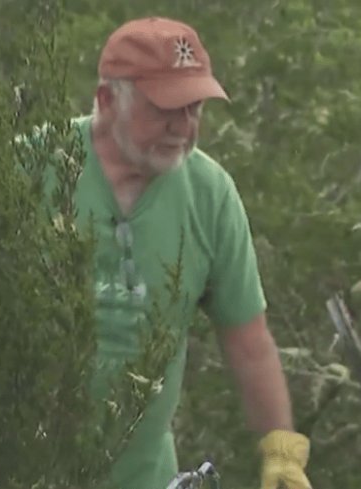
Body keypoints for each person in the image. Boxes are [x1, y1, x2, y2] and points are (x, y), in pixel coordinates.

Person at [51, 17, 311, 489]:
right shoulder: (27, 170)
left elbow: (249, 344)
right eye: (164, 109)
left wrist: (281, 451)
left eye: (194, 109)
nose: (183, 127)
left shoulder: (210, 194)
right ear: (107, 100)